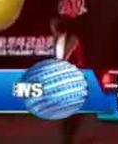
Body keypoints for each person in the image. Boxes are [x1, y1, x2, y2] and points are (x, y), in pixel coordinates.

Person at [50, 16, 84, 144]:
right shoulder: (56, 40)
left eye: (52, 27)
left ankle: (69, 136)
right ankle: (67, 137)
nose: (51, 30)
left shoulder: (73, 40)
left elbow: (80, 60)